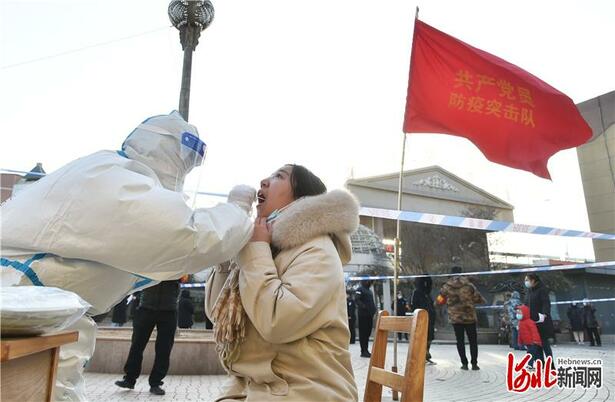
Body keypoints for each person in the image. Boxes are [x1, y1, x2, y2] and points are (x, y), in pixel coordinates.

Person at [0, 111, 255, 401]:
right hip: (20, 308)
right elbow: (188, 239)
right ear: (169, 151)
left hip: (31, 313)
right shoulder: (113, 180)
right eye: (185, 161)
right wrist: (237, 210)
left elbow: (161, 257)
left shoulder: (110, 171)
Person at [205, 164, 359, 402]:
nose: (264, 181)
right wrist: (227, 252)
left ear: (302, 199)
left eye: (279, 176)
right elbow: (218, 314)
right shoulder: (267, 246)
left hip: (306, 390)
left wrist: (256, 250)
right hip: (254, 388)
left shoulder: (317, 249)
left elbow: (277, 322)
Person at [115, 280, 180, 396]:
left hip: (169, 310)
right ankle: (129, 379)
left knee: (164, 349)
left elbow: (185, 275)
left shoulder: (176, 262)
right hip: (146, 307)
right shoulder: (151, 262)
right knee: (137, 345)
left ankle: (155, 383)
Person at [440, 266, 486, 371]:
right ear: (462, 273)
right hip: (469, 317)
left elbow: (440, 299)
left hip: (456, 318)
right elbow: (477, 298)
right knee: (473, 341)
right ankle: (474, 364)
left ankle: (464, 364)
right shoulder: (469, 285)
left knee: (459, 340)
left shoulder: (446, 286)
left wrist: (438, 304)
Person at [524, 274, 556, 369]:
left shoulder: (542, 290)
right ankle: (541, 363)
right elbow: (526, 305)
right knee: (536, 344)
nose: (526, 282)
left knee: (544, 343)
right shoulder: (529, 291)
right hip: (531, 322)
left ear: (533, 280)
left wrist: (545, 314)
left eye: (527, 280)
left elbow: (546, 303)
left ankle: (551, 364)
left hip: (541, 321)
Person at [411, 276, 436, 364]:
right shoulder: (416, 292)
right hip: (422, 319)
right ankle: (422, 355)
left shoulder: (427, 293)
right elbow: (414, 306)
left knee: (430, 337)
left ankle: (426, 354)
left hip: (430, 318)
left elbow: (431, 305)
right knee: (423, 337)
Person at [516, 305, 543, 370]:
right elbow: (520, 333)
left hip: (533, 342)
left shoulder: (529, 322)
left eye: (519, 313)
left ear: (524, 313)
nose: (518, 314)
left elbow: (534, 332)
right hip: (528, 342)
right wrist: (520, 342)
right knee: (535, 354)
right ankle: (539, 364)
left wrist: (536, 341)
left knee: (530, 353)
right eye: (517, 313)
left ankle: (530, 365)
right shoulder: (520, 323)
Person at [356, 280, 377, 358]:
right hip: (363, 315)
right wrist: (364, 307)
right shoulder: (360, 289)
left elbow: (371, 302)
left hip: (369, 315)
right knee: (363, 333)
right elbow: (357, 299)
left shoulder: (369, 291)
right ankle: (363, 351)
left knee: (368, 333)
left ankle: (366, 350)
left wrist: (373, 310)